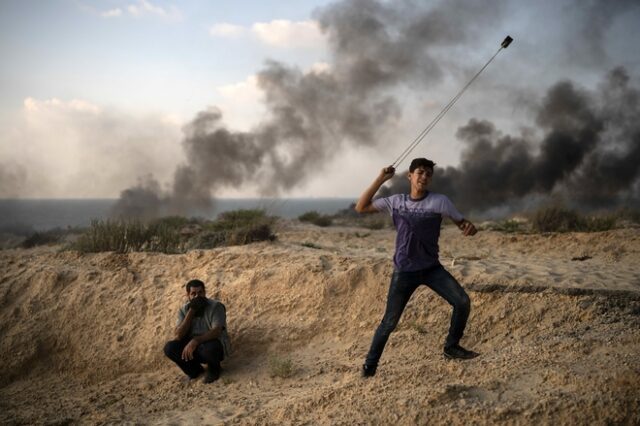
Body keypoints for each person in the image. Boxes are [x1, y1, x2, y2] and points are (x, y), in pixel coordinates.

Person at [355, 158, 479, 378]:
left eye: (428, 174)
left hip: (432, 269)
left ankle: (451, 347)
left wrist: (469, 228)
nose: (424, 177)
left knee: (462, 302)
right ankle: (369, 367)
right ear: (409, 176)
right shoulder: (396, 201)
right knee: (389, 322)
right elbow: (361, 207)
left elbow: (464, 224)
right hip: (404, 271)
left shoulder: (440, 202)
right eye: (420, 172)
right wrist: (381, 179)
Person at [163, 279, 231, 383]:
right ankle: (195, 371)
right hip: (193, 348)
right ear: (188, 296)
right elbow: (178, 336)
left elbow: (216, 331)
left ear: (205, 292)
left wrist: (196, 340)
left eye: (200, 293)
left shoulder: (216, 306)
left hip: (211, 346)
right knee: (170, 348)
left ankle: (214, 369)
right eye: (193, 294)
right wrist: (192, 311)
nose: (197, 297)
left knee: (211, 348)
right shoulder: (184, 310)